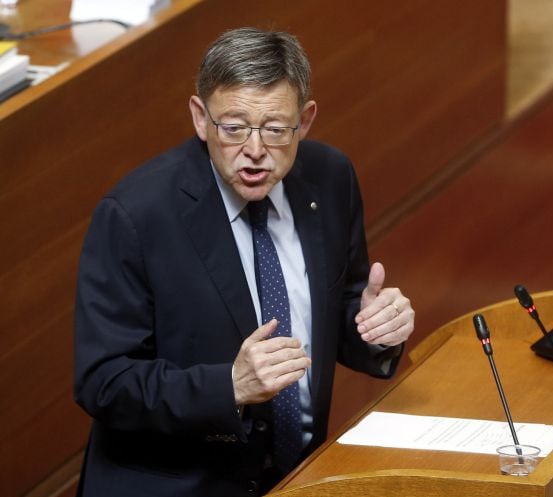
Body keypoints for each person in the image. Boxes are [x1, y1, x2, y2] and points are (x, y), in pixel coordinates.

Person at [73, 27, 414, 497]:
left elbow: (339, 309)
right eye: (233, 127)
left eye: (276, 129)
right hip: (180, 486)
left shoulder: (330, 177)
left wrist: (376, 325)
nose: (255, 150)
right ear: (199, 117)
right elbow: (103, 381)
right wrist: (228, 386)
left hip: (300, 480)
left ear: (306, 120)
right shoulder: (136, 215)